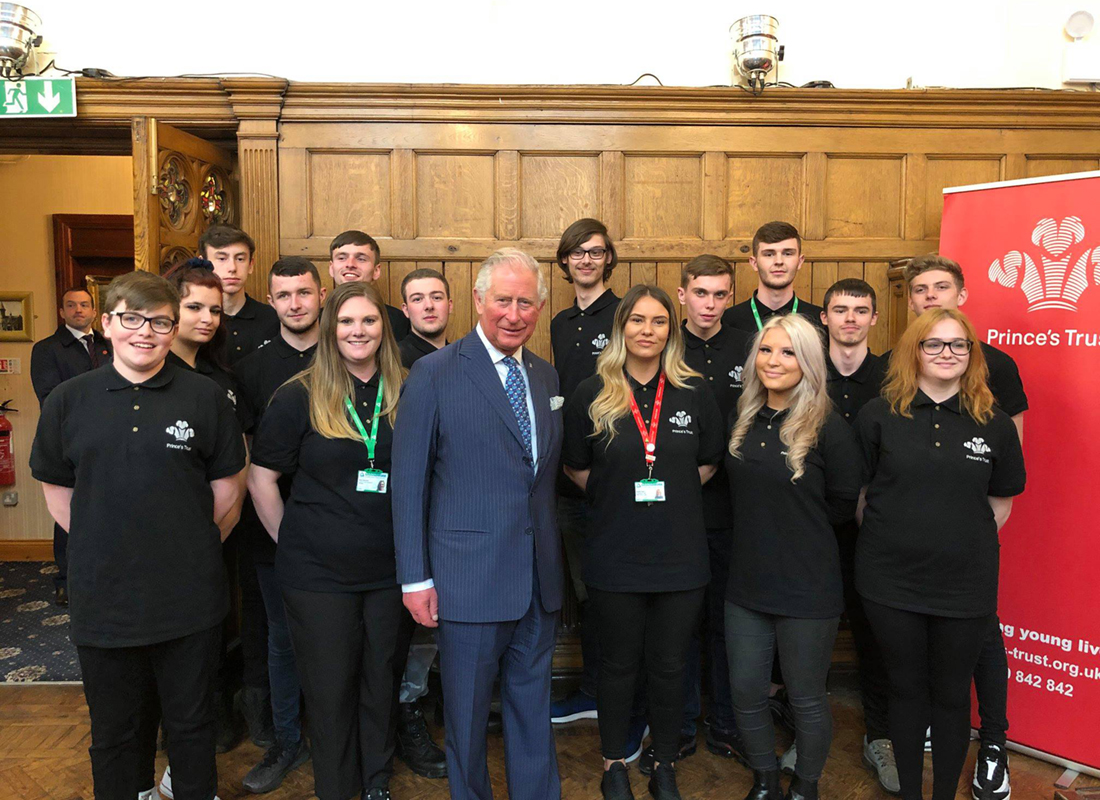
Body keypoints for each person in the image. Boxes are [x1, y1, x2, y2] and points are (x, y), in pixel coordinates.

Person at [30, 270, 246, 800]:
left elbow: (226, 496)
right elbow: (59, 497)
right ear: (107, 324)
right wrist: (113, 544)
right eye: (131, 319)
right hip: (105, 600)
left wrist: (180, 547)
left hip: (189, 600)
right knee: (115, 734)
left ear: (173, 330)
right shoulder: (67, 400)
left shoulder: (206, 398)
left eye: (159, 322)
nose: (144, 332)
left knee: (192, 729)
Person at [392, 248, 563, 800]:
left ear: (539, 307)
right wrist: (415, 579)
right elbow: (410, 482)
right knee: (464, 722)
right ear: (478, 300)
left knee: (533, 712)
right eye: (503, 301)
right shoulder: (434, 372)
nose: (514, 314)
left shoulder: (544, 375)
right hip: (467, 580)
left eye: (526, 303)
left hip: (538, 580)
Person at [248, 280, 411, 800]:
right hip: (316, 577)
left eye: (367, 320)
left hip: (391, 572)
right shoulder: (299, 394)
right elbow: (261, 477)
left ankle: (377, 782)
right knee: (329, 688)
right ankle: (338, 788)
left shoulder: (410, 389)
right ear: (328, 327)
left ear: (383, 327)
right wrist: (290, 540)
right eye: (345, 321)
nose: (357, 330)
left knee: (380, 681)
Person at [855, 308, 1025, 800]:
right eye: (934, 344)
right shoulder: (879, 414)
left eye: (958, 345)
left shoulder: (992, 424)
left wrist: (952, 540)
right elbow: (864, 494)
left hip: (964, 583)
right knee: (905, 692)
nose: (947, 354)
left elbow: (999, 503)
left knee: (951, 698)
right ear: (915, 351)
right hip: (889, 581)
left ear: (970, 354)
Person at [563, 284, 724, 800]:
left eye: (658, 321)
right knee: (618, 663)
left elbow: (708, 461)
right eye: (637, 321)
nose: (647, 331)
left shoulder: (694, 391)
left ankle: (665, 764)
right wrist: (623, 499)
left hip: (679, 554)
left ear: (669, 330)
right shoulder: (592, 392)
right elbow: (575, 465)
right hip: (616, 552)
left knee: (672, 664)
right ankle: (614, 764)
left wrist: (666, 493)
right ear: (621, 328)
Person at [900, 254, 1027, 800]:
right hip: (904, 555)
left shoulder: (996, 365)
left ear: (963, 293)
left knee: (983, 641)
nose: (931, 296)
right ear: (909, 301)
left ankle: (993, 742)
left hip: (968, 550)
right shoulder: (899, 366)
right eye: (921, 289)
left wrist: (969, 535)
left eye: (942, 287)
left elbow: (1008, 467)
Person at [724, 314, 862, 800]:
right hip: (746, 583)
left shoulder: (830, 427)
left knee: (805, 697)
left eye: (787, 352)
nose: (774, 361)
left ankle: (806, 785)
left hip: (808, 586)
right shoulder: (743, 417)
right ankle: (764, 780)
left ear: (807, 362)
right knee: (745, 690)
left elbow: (844, 504)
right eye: (766, 351)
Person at [634, 255, 749, 774]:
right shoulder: (658, 340)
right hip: (664, 516)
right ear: (682, 295)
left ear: (730, 296)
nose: (710, 303)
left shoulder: (748, 344)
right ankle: (676, 728)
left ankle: (727, 724)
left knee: (727, 625)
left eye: (720, 294)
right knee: (673, 630)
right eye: (700, 293)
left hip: (730, 508)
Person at [234, 256, 325, 793]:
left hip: (341, 528)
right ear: (271, 301)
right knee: (283, 640)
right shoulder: (251, 369)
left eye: (304, 292)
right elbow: (247, 463)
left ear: (321, 295)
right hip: (272, 533)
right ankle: (287, 741)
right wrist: (283, 535)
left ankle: (341, 736)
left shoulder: (347, 356)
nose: (295, 303)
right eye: (284, 295)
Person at [547, 219, 629, 738]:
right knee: (587, 590)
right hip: (567, 477)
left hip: (618, 474)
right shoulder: (556, 321)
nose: (586, 260)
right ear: (564, 261)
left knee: (618, 593)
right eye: (577, 252)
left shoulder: (624, 314)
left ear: (608, 259)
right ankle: (597, 691)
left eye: (596, 252)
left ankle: (617, 693)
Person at [818, 279, 896, 794]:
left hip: (875, 529)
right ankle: (806, 734)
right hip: (812, 527)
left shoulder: (894, 376)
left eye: (860, 310)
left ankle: (882, 737)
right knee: (808, 637)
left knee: (874, 636)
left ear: (873, 320)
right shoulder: (800, 366)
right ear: (822, 317)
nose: (850, 318)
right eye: (840, 310)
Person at [29, 285, 111, 607]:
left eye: (85, 305)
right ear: (62, 312)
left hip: (112, 439)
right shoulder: (47, 349)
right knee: (69, 508)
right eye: (71, 306)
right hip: (70, 440)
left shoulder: (109, 345)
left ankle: (105, 575)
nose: (79, 310)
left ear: (94, 310)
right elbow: (50, 398)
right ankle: (66, 580)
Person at [722, 221, 824, 334]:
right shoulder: (727, 321)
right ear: (754, 263)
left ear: (800, 262)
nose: (779, 261)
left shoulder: (819, 321)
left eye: (788, 254)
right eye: (769, 254)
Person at [200, 224, 280, 365]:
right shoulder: (197, 321)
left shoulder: (273, 318)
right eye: (222, 258)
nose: (232, 268)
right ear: (203, 264)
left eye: (240, 259)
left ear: (250, 265)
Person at [328, 229, 411, 341]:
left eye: (361, 259)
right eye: (342, 258)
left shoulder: (400, 321)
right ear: (332, 268)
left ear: (376, 271)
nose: (350, 264)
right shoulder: (316, 319)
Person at [398, 267, 453, 368]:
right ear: (406, 310)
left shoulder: (462, 358)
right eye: (418, 299)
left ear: (449, 306)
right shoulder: (395, 360)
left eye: (436, 298)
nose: (429, 306)